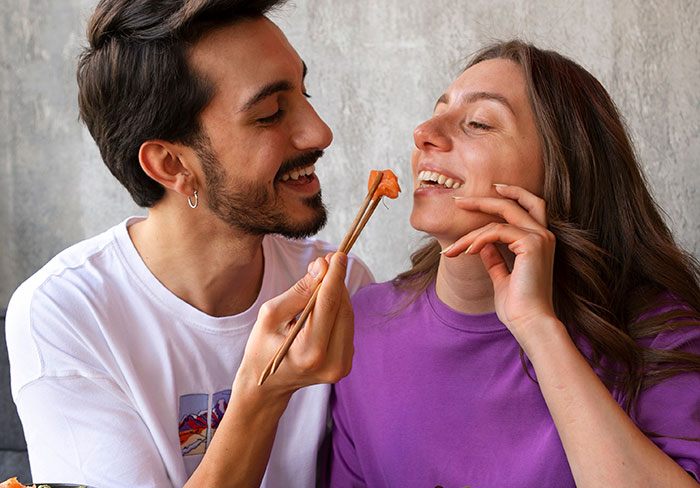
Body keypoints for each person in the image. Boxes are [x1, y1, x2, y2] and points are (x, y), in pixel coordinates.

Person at [5, 1, 374, 487]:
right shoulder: (66, 312)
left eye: (306, 94)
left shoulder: (340, 283)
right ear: (171, 165)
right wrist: (262, 393)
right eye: (270, 113)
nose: (319, 131)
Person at [327, 40, 700, 487]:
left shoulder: (661, 336)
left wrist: (538, 329)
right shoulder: (361, 324)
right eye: (437, 111)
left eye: (479, 123)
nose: (424, 131)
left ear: (563, 169)